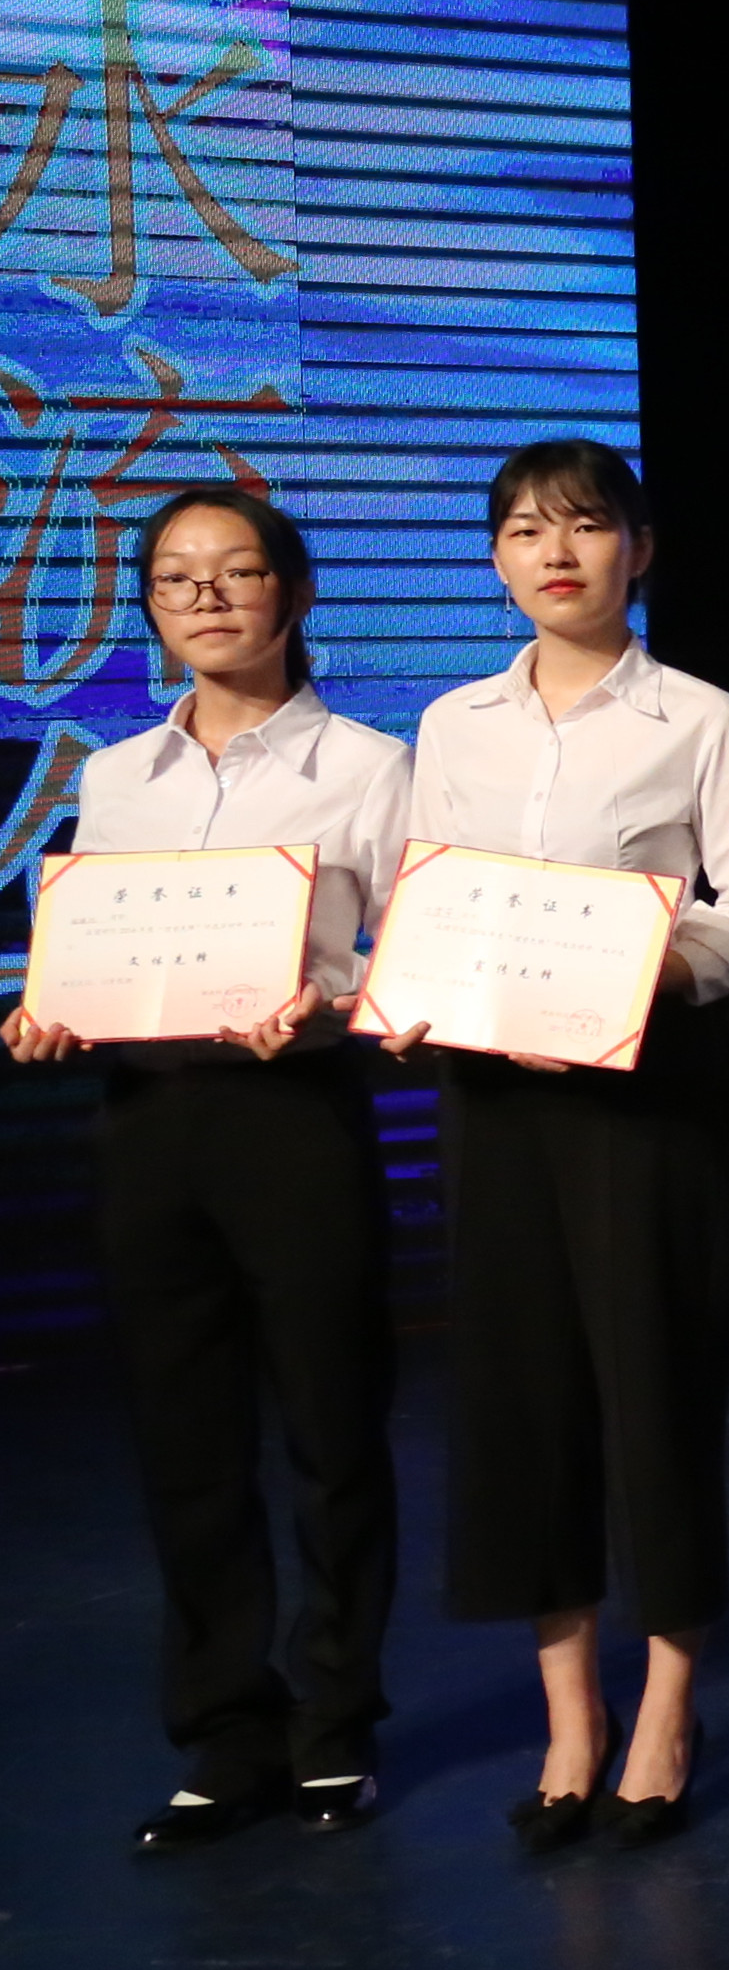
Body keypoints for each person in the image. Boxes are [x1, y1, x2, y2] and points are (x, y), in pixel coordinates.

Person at [396, 440, 729, 1853]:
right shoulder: (454, 725)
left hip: (645, 1099)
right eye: (523, 531)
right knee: (522, 1401)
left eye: (583, 526)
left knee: (656, 1392)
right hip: (496, 1101)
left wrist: (657, 968)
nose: (554, 553)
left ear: (641, 547)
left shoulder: (702, 717)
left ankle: (668, 1708)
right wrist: (409, 988)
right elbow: (430, 897)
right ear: (496, 560)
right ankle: (570, 1716)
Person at [14, 490, 410, 1848]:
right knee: (184, 1437)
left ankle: (335, 1724)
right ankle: (224, 1731)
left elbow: (411, 950)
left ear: (292, 593)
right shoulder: (118, 775)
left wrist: (329, 1004)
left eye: (237, 572)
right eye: (178, 579)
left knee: (332, 1429)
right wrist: (50, 1007)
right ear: (151, 606)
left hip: (294, 1113)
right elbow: (94, 942)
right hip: (147, 1118)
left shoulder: (369, 765)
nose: (208, 598)